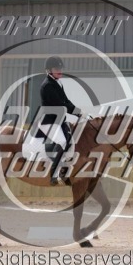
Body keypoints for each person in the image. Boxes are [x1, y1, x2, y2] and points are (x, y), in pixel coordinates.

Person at [38, 56, 81, 185]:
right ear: (49, 70)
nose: (59, 70)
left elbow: (66, 101)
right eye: (57, 68)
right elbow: (60, 105)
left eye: (60, 68)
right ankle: (53, 174)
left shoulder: (58, 83)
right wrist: (77, 112)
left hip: (59, 120)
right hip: (48, 121)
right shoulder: (47, 86)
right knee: (62, 142)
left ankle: (64, 172)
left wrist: (79, 111)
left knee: (71, 142)